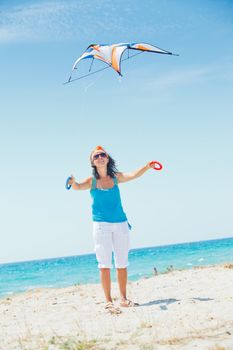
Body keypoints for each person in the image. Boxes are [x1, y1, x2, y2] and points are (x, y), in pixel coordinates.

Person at [68, 145, 155, 314]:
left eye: (102, 155)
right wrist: (72, 182)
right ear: (92, 162)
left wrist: (146, 167)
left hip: (120, 223)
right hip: (101, 225)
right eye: (96, 156)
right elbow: (78, 186)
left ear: (107, 159)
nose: (100, 157)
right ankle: (108, 301)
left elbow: (133, 175)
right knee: (104, 264)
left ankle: (123, 299)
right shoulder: (91, 181)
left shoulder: (115, 177)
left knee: (122, 263)